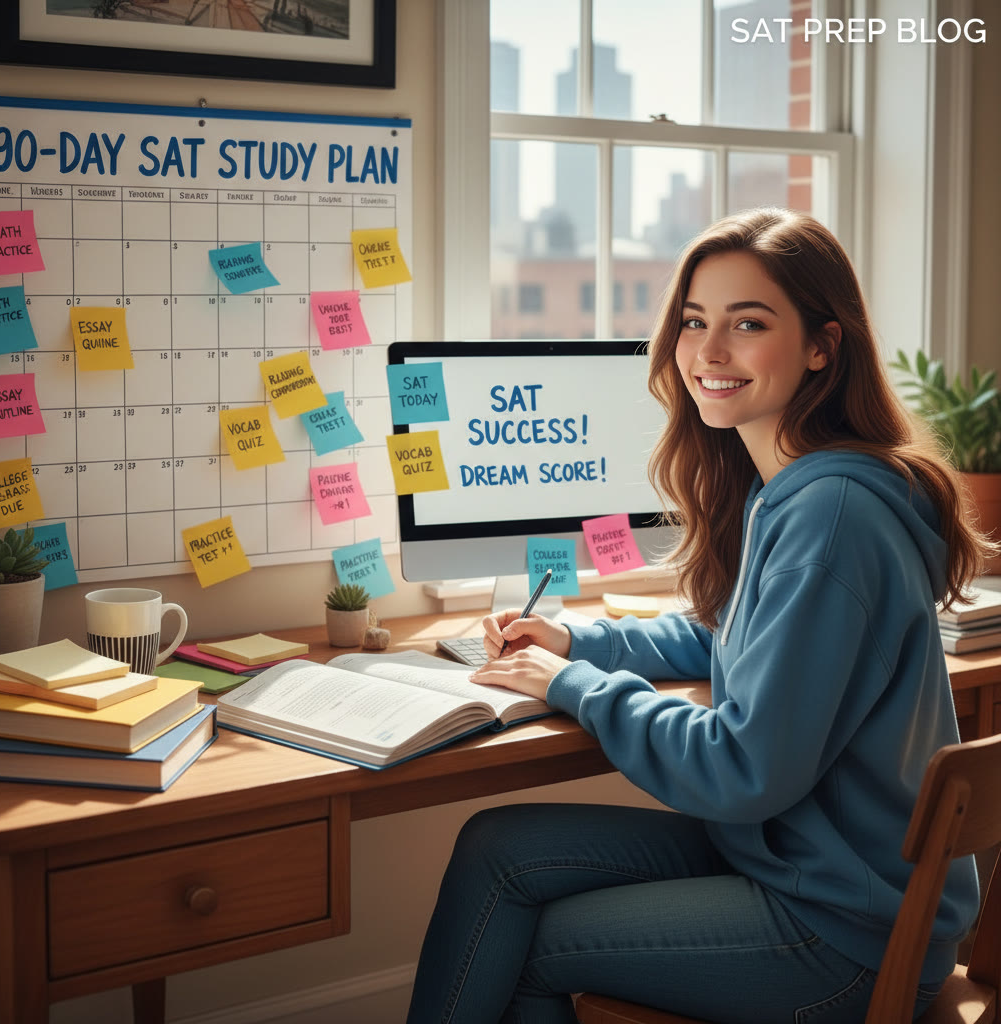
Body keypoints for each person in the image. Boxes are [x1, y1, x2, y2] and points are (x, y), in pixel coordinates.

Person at [405, 208, 997, 1024]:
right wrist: (578, 638)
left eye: (747, 323)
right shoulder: (791, 486)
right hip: (801, 862)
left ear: (824, 345)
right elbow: (729, 634)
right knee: (496, 849)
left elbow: (742, 770)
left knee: (524, 943)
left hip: (840, 935)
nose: (709, 352)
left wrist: (573, 683)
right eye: (694, 322)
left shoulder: (831, 518)